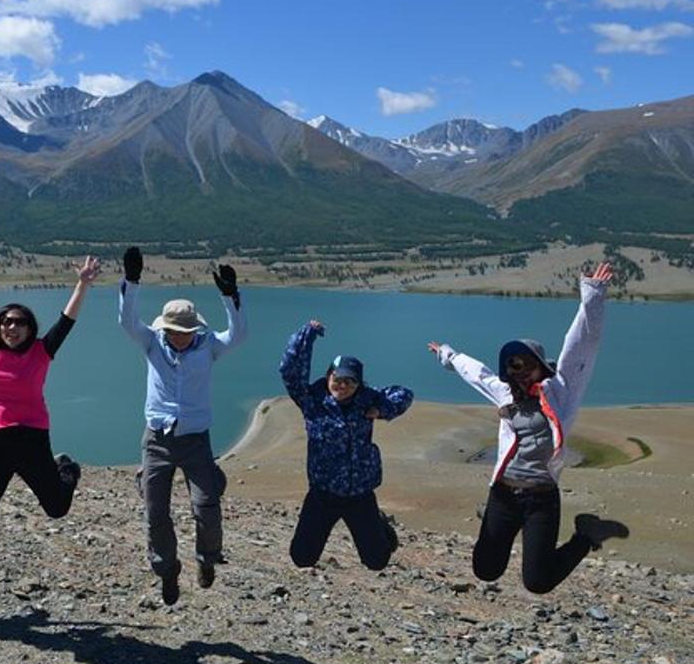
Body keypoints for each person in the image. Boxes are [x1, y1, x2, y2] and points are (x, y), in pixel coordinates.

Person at [428, 262, 628, 594]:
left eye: (525, 365)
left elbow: (582, 345)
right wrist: (447, 355)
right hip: (504, 494)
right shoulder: (504, 392)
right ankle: (490, 517)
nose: (518, 371)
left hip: (541, 499)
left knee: (538, 582)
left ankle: (587, 534)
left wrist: (592, 295)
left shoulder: (561, 392)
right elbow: (475, 373)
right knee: (485, 570)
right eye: (512, 366)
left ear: (540, 366)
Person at [118, 247, 246, 606]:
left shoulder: (208, 347)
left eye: (185, 331)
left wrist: (230, 296)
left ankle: (206, 560)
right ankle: (167, 572)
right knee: (155, 513)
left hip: (195, 441)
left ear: (195, 329)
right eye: (174, 330)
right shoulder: (151, 344)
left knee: (207, 507)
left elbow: (239, 335)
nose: (179, 336)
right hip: (157, 441)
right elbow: (127, 323)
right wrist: (132, 281)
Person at [0, 251, 101, 521]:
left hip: (33, 438)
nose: (12, 326)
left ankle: (67, 468)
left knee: (57, 509)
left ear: (29, 328)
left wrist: (82, 284)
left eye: (19, 322)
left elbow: (66, 320)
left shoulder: (42, 351)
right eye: (6, 321)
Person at [279, 319, 412, 571]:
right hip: (322, 494)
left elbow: (404, 394)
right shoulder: (311, 401)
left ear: (358, 383)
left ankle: (380, 526)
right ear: (328, 376)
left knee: (377, 561)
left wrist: (381, 409)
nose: (342, 385)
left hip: (360, 494)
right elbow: (290, 369)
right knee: (301, 558)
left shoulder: (367, 399)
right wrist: (307, 335)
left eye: (349, 381)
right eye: (337, 378)